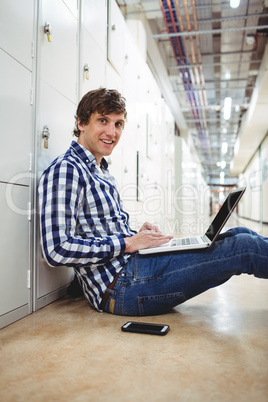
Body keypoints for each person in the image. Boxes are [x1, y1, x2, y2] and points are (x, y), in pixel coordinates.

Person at [38, 88, 268, 316]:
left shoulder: (100, 170)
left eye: (118, 124)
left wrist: (137, 235)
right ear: (81, 123)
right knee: (243, 248)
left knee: (240, 232)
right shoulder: (67, 170)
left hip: (133, 268)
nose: (112, 132)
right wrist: (128, 243)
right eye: (103, 120)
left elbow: (99, 231)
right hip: (121, 287)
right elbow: (57, 249)